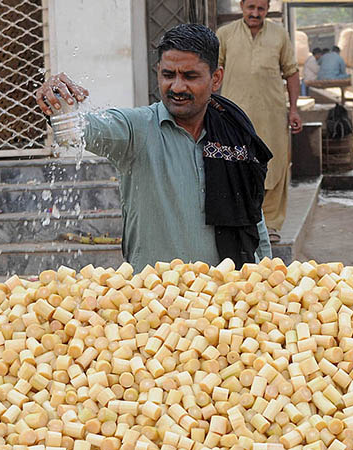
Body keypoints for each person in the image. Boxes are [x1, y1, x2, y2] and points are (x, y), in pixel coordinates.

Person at [35, 24, 271, 271]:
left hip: (227, 295)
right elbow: (76, 131)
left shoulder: (233, 132)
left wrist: (267, 269)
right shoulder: (137, 129)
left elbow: (252, 212)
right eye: (169, 75)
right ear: (158, 71)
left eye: (190, 76)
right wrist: (61, 106)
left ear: (216, 78)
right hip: (152, 302)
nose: (177, 87)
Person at [217, 0, 302, 243]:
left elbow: (292, 72)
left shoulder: (279, 34)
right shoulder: (225, 34)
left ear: (267, 8)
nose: (255, 13)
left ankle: (272, 224)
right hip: (234, 116)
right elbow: (213, 71)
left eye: (261, 8)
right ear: (241, 5)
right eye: (251, 7)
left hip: (272, 115)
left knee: (274, 166)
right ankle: (243, 221)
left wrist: (294, 109)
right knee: (237, 166)